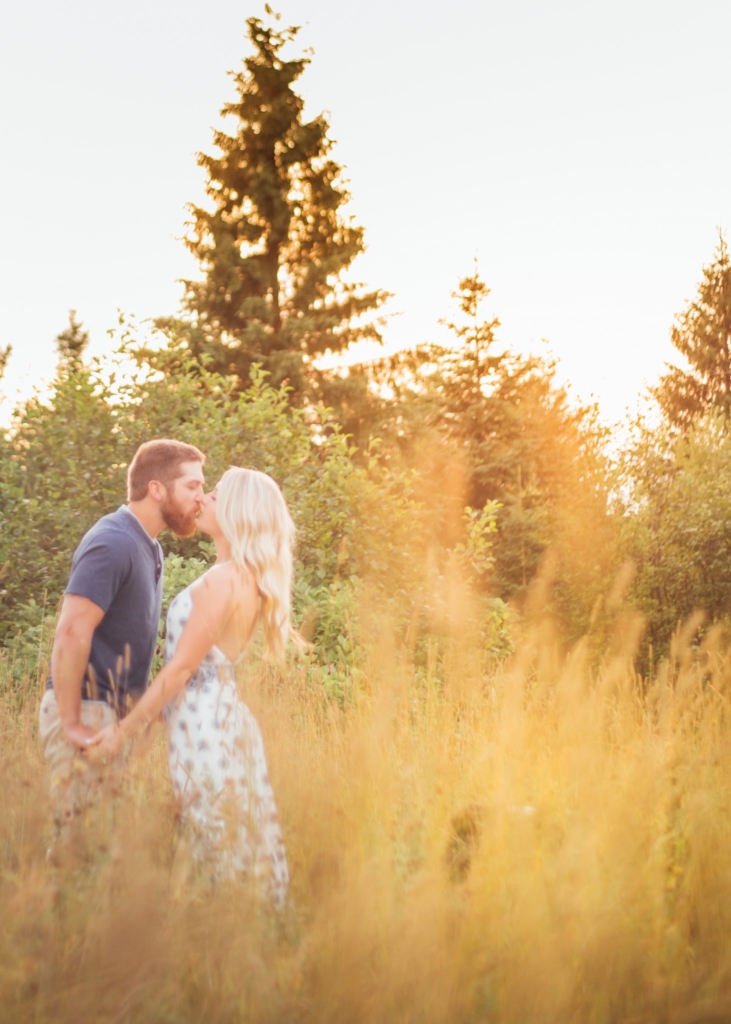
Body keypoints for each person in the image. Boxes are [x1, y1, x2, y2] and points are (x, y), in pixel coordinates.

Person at [89, 467, 292, 905]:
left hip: (206, 726)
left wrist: (120, 735)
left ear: (236, 512)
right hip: (211, 716)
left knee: (215, 840)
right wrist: (139, 745)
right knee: (224, 833)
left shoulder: (225, 580)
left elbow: (181, 671)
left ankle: (224, 939)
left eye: (215, 496)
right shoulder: (239, 576)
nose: (203, 500)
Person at [39, 439, 206, 844]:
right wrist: (72, 721)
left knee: (97, 854)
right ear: (157, 489)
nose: (201, 498)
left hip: (112, 721)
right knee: (73, 854)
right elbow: (71, 631)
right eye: (192, 486)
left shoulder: (150, 548)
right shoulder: (113, 540)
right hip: (88, 711)